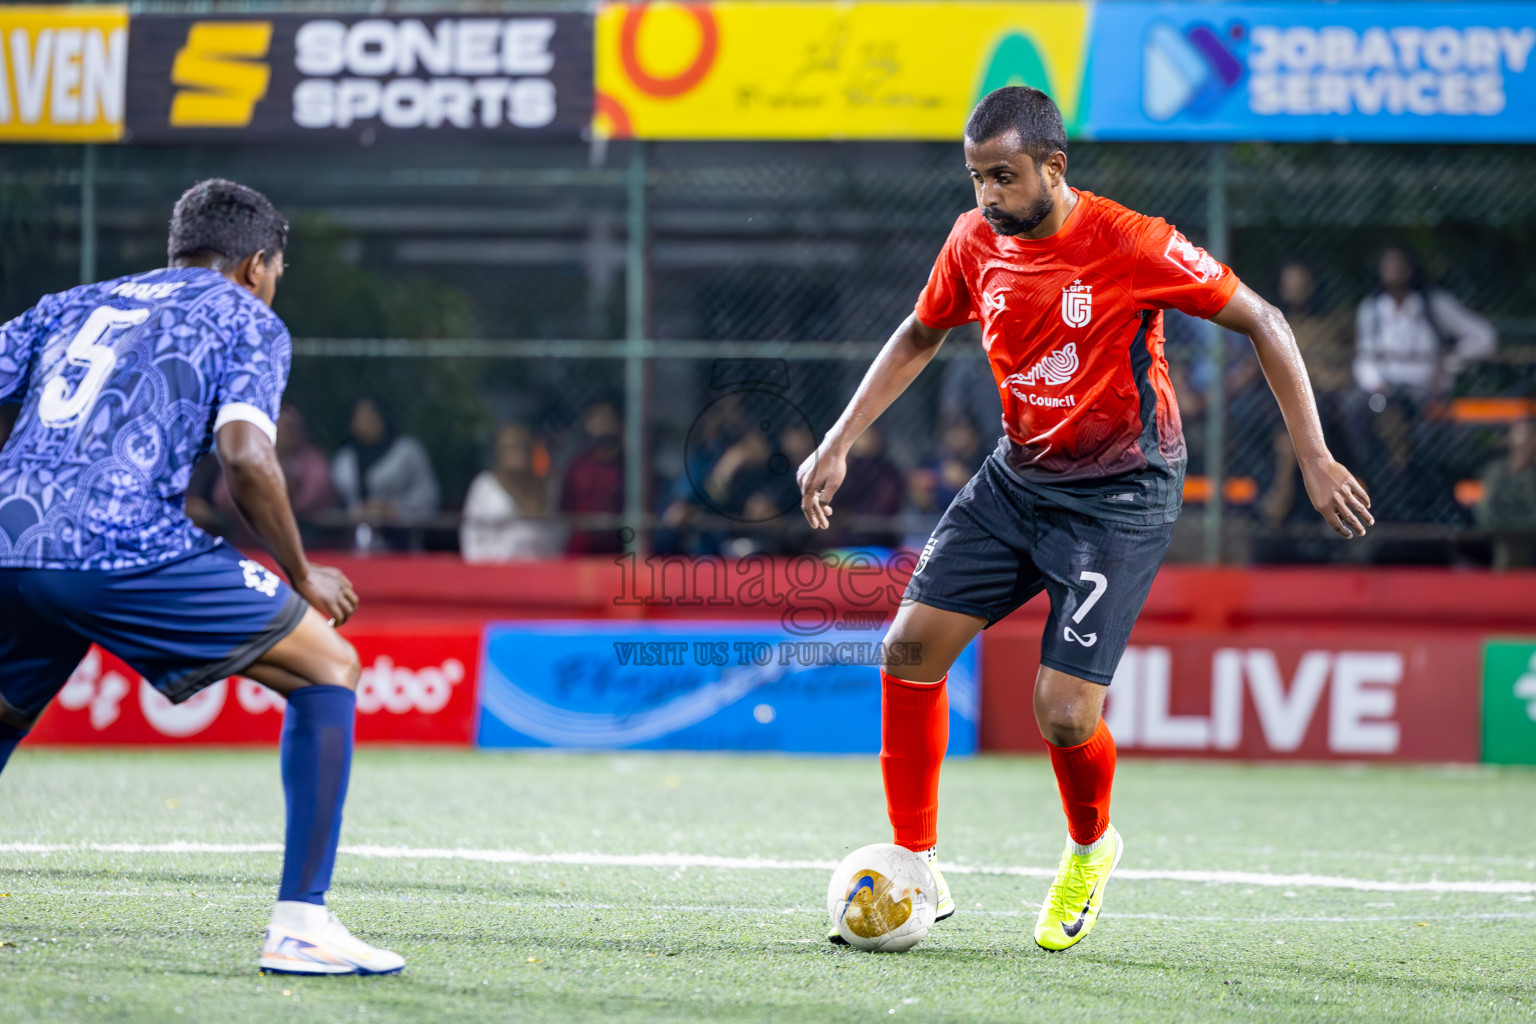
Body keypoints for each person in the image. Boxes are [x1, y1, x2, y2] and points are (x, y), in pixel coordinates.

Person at [796, 87, 1372, 952]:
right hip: (1018, 479)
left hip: (1122, 494)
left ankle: (1092, 847)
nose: (987, 196)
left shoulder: (1132, 242)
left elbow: (1265, 319)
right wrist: (839, 440)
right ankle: (916, 862)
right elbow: (920, 334)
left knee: (1062, 711)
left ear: (1052, 168)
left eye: (1003, 176)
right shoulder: (973, 241)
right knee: (908, 653)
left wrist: (1315, 456)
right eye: (976, 177)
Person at [0, 179, 403, 975]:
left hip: (11, 536)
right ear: (256, 264)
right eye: (277, 272)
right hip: (116, 543)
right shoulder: (245, 316)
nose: (273, 286)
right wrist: (302, 573)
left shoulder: (75, 301)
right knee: (329, 665)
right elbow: (248, 457)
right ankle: (300, 926)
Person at [1353, 245, 1496, 400]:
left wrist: (1449, 363)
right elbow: (1364, 356)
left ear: (1410, 268)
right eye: (1388, 266)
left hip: (1426, 392)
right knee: (1354, 405)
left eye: (1398, 265)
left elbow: (1484, 338)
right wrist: (1375, 384)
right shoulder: (1370, 309)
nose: (1393, 270)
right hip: (1384, 393)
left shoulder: (1434, 304)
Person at [332, 395, 440, 537]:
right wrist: (353, 511)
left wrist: (394, 510)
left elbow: (428, 498)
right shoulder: (344, 458)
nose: (364, 423)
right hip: (351, 544)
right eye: (359, 417)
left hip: (402, 542)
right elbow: (332, 504)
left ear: (383, 418)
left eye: (370, 417)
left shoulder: (408, 452)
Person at [460, 422, 559, 562]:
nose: (515, 454)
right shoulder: (485, 485)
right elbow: (471, 535)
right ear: (499, 452)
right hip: (495, 570)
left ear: (530, 450)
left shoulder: (549, 486)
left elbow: (557, 532)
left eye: (520, 447)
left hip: (540, 570)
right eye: (509, 449)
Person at [559, 400, 625, 555]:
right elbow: (565, 508)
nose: (600, 425)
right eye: (594, 419)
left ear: (619, 423)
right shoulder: (578, 467)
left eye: (605, 418)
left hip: (618, 550)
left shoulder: (630, 469)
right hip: (582, 550)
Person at [1476, 416, 1536, 570]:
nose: (1525, 443)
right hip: (1503, 541)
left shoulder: (1531, 476)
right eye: (1521, 435)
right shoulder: (1496, 472)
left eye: (1531, 436)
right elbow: (1486, 512)